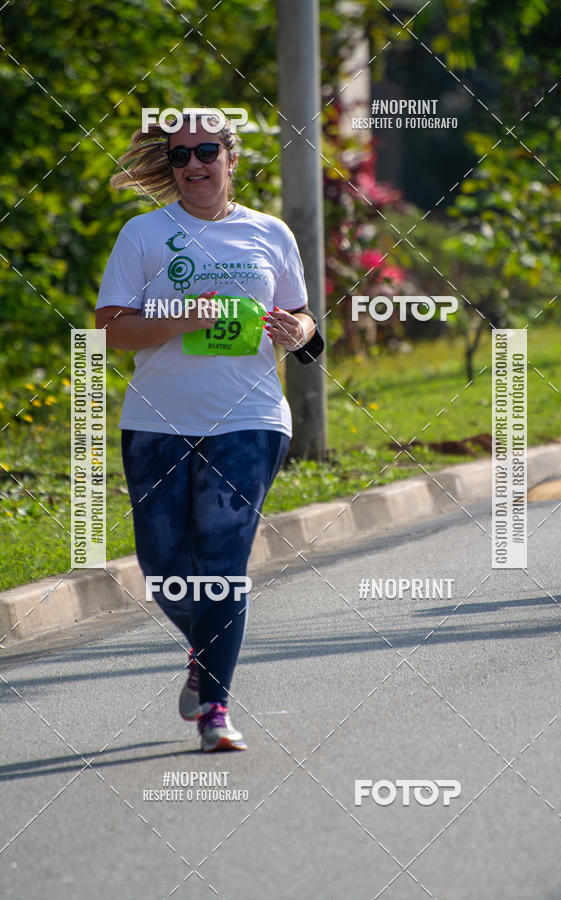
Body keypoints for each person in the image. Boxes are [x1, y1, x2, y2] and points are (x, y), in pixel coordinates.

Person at [95, 112, 324, 751]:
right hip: (157, 420)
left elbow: (307, 325)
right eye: (179, 156)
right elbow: (108, 329)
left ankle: (214, 711)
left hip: (249, 420)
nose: (193, 165)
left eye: (205, 152)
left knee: (222, 567)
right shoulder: (143, 235)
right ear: (169, 168)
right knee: (165, 566)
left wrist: (296, 332)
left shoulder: (269, 233)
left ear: (230, 157)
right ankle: (207, 654)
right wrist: (178, 319)